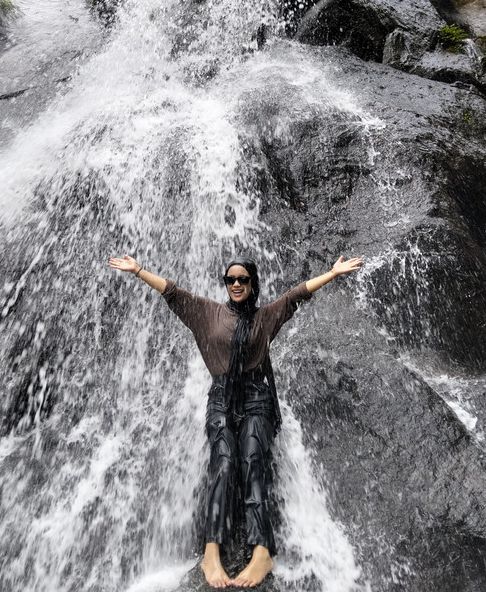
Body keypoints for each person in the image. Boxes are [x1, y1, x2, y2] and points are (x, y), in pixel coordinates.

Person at [108, 252, 363, 588]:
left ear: (252, 283)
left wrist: (332, 273)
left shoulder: (266, 317)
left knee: (254, 459)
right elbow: (171, 291)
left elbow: (297, 294)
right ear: (225, 284)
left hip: (257, 399)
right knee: (224, 461)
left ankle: (262, 552)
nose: (237, 284)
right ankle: (210, 553)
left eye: (243, 279)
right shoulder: (205, 313)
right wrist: (138, 270)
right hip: (220, 400)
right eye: (231, 279)